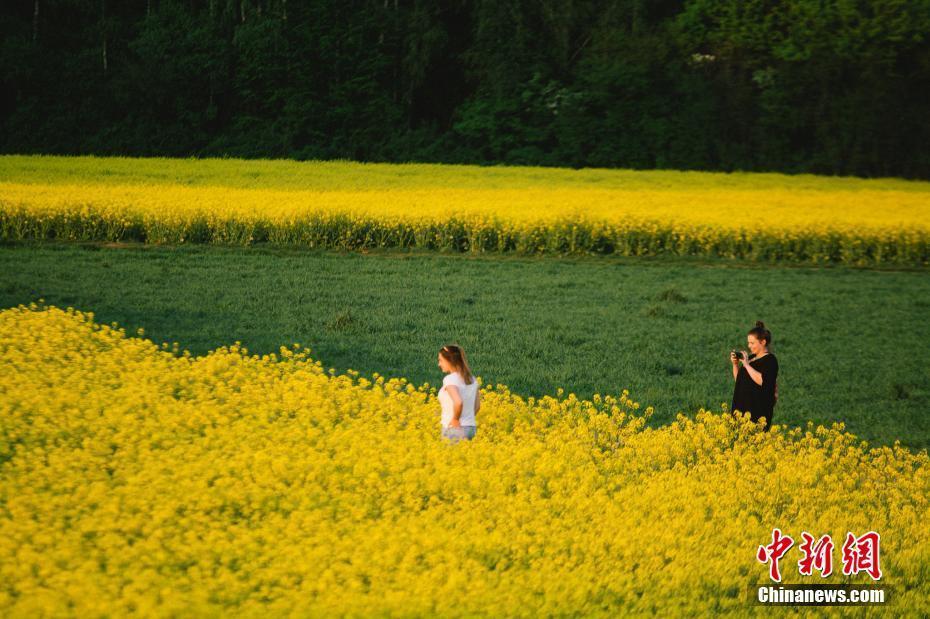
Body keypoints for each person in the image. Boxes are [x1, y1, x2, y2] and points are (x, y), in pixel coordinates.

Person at [730, 321, 779, 431]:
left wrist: (746, 365)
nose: (749, 346)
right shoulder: (751, 358)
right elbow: (739, 381)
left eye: (752, 343)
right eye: (748, 343)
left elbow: (763, 381)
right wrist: (735, 364)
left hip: (757, 414)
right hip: (739, 412)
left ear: (763, 342)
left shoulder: (770, 360)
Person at [437, 344, 480, 442]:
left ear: (450, 361)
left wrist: (456, 420)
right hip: (471, 428)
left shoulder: (450, 379)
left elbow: (458, 402)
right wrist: (466, 418)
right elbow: (477, 406)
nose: (439, 364)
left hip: (454, 429)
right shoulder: (472, 379)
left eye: (441, 360)